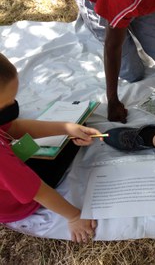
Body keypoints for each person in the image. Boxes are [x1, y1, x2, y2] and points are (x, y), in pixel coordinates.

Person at [0, 53, 101, 243]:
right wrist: (74, 216)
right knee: (69, 146)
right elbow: (37, 190)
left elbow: (15, 127)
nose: (13, 106)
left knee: (73, 134)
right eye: (5, 105)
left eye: (14, 98)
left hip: (10, 174)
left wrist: (66, 128)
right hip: (16, 204)